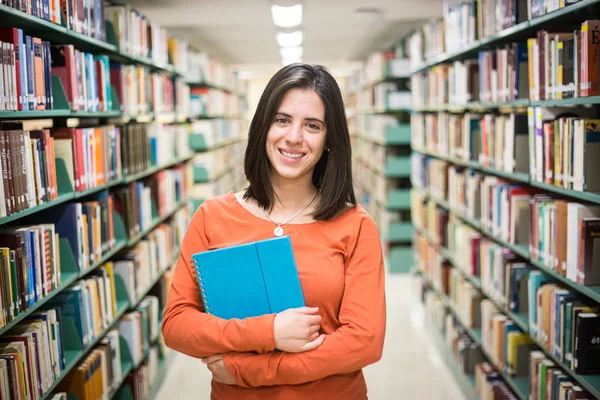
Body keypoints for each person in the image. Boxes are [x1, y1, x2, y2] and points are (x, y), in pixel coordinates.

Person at [161, 63, 387, 399]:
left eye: (312, 125)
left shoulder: (355, 225)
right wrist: (269, 332)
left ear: (329, 139)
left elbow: (363, 343)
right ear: (262, 126)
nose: (294, 137)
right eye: (282, 120)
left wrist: (248, 371)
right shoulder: (212, 216)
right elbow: (177, 325)